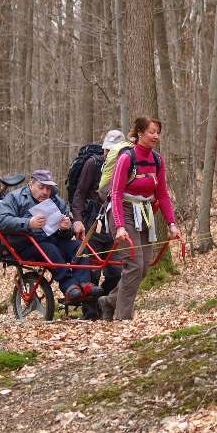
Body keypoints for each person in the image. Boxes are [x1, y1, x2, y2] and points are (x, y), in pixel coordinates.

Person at [98, 117, 180, 320]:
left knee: (142, 268)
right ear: (140, 133)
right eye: (152, 131)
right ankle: (122, 318)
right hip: (122, 211)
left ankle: (108, 302)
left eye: (158, 132)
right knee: (133, 265)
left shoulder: (158, 160)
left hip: (144, 213)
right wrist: (119, 226)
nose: (156, 136)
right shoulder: (127, 158)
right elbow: (115, 193)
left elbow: (162, 194)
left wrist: (171, 223)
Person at [0, 169, 101, 307]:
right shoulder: (15, 198)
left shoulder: (57, 200)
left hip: (54, 241)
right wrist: (29, 223)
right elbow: (2, 221)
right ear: (30, 184)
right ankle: (69, 286)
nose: (45, 192)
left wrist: (66, 228)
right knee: (49, 248)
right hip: (26, 244)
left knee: (78, 247)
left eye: (48, 188)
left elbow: (67, 233)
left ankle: (85, 284)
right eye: (41, 187)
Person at [72, 129, 125, 318]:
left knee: (116, 270)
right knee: (91, 270)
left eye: (114, 151)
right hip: (92, 223)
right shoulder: (92, 164)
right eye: (107, 150)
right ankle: (90, 312)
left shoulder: (126, 166)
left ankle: (106, 304)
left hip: (115, 224)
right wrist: (77, 219)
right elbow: (79, 193)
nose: (108, 154)